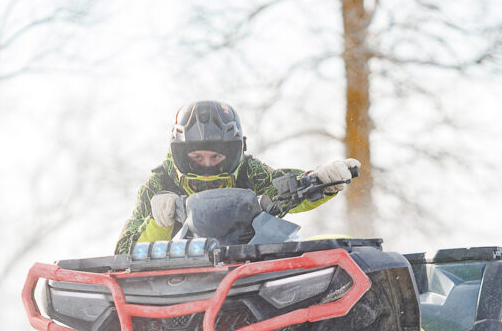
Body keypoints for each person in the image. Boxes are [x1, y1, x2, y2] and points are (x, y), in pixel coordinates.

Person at [114, 100, 360, 254]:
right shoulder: (160, 183)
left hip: (252, 263)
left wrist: (320, 180)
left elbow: (284, 186)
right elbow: (123, 252)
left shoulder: (249, 169)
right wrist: (158, 222)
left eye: (216, 157)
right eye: (197, 158)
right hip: (182, 277)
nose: (208, 166)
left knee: (342, 248)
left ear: (234, 151)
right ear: (179, 153)